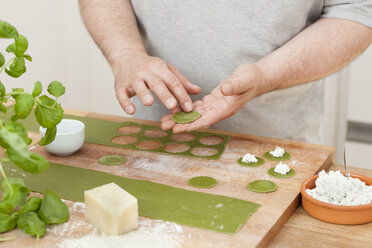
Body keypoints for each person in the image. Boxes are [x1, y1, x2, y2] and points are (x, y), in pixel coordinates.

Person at [78, 0, 372, 144]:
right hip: (149, 136)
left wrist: (266, 75)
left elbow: (354, 10)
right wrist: (126, 53)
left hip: (276, 144)